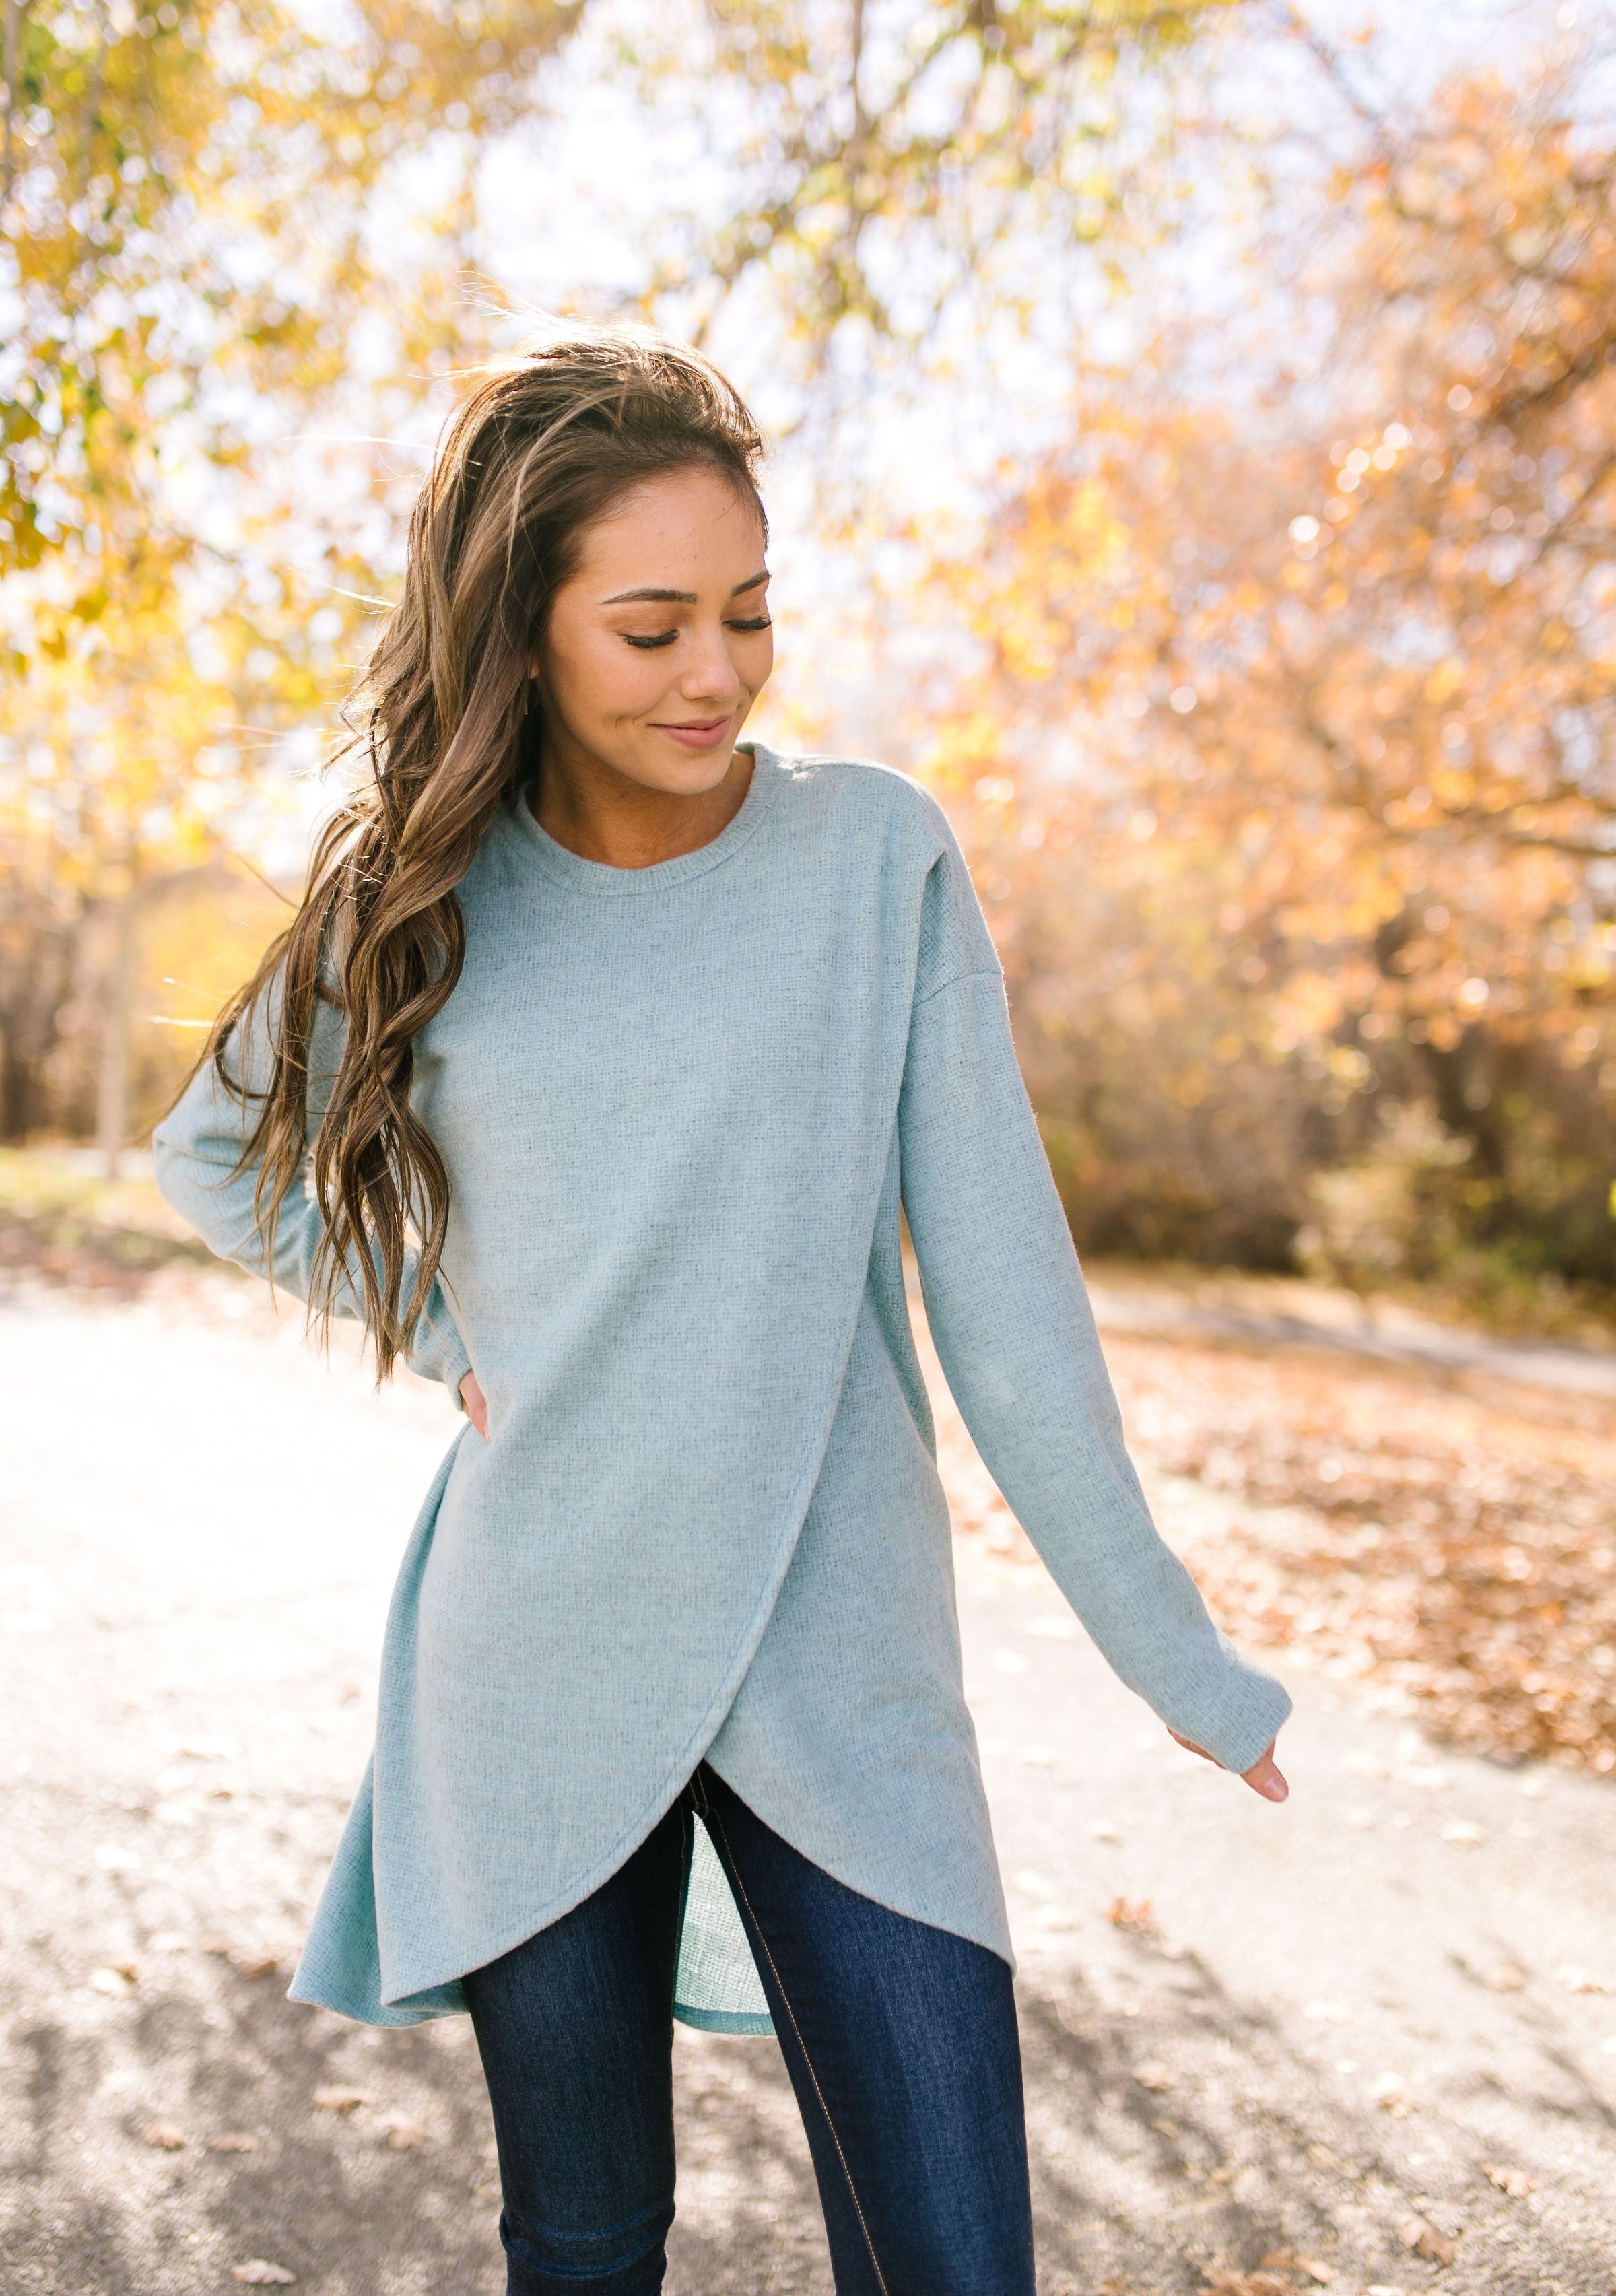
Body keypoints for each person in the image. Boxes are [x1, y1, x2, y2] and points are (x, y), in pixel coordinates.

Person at [154, 325, 1291, 2296]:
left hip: (840, 1650)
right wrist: (450, 1336)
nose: (717, 672)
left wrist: (1171, 1652)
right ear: (524, 639)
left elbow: (1009, 1295)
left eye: (748, 614)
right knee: (588, 2249)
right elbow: (214, 1153)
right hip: (541, 1656)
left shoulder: (876, 860)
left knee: (956, 2257)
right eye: (653, 626)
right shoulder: (421, 904)